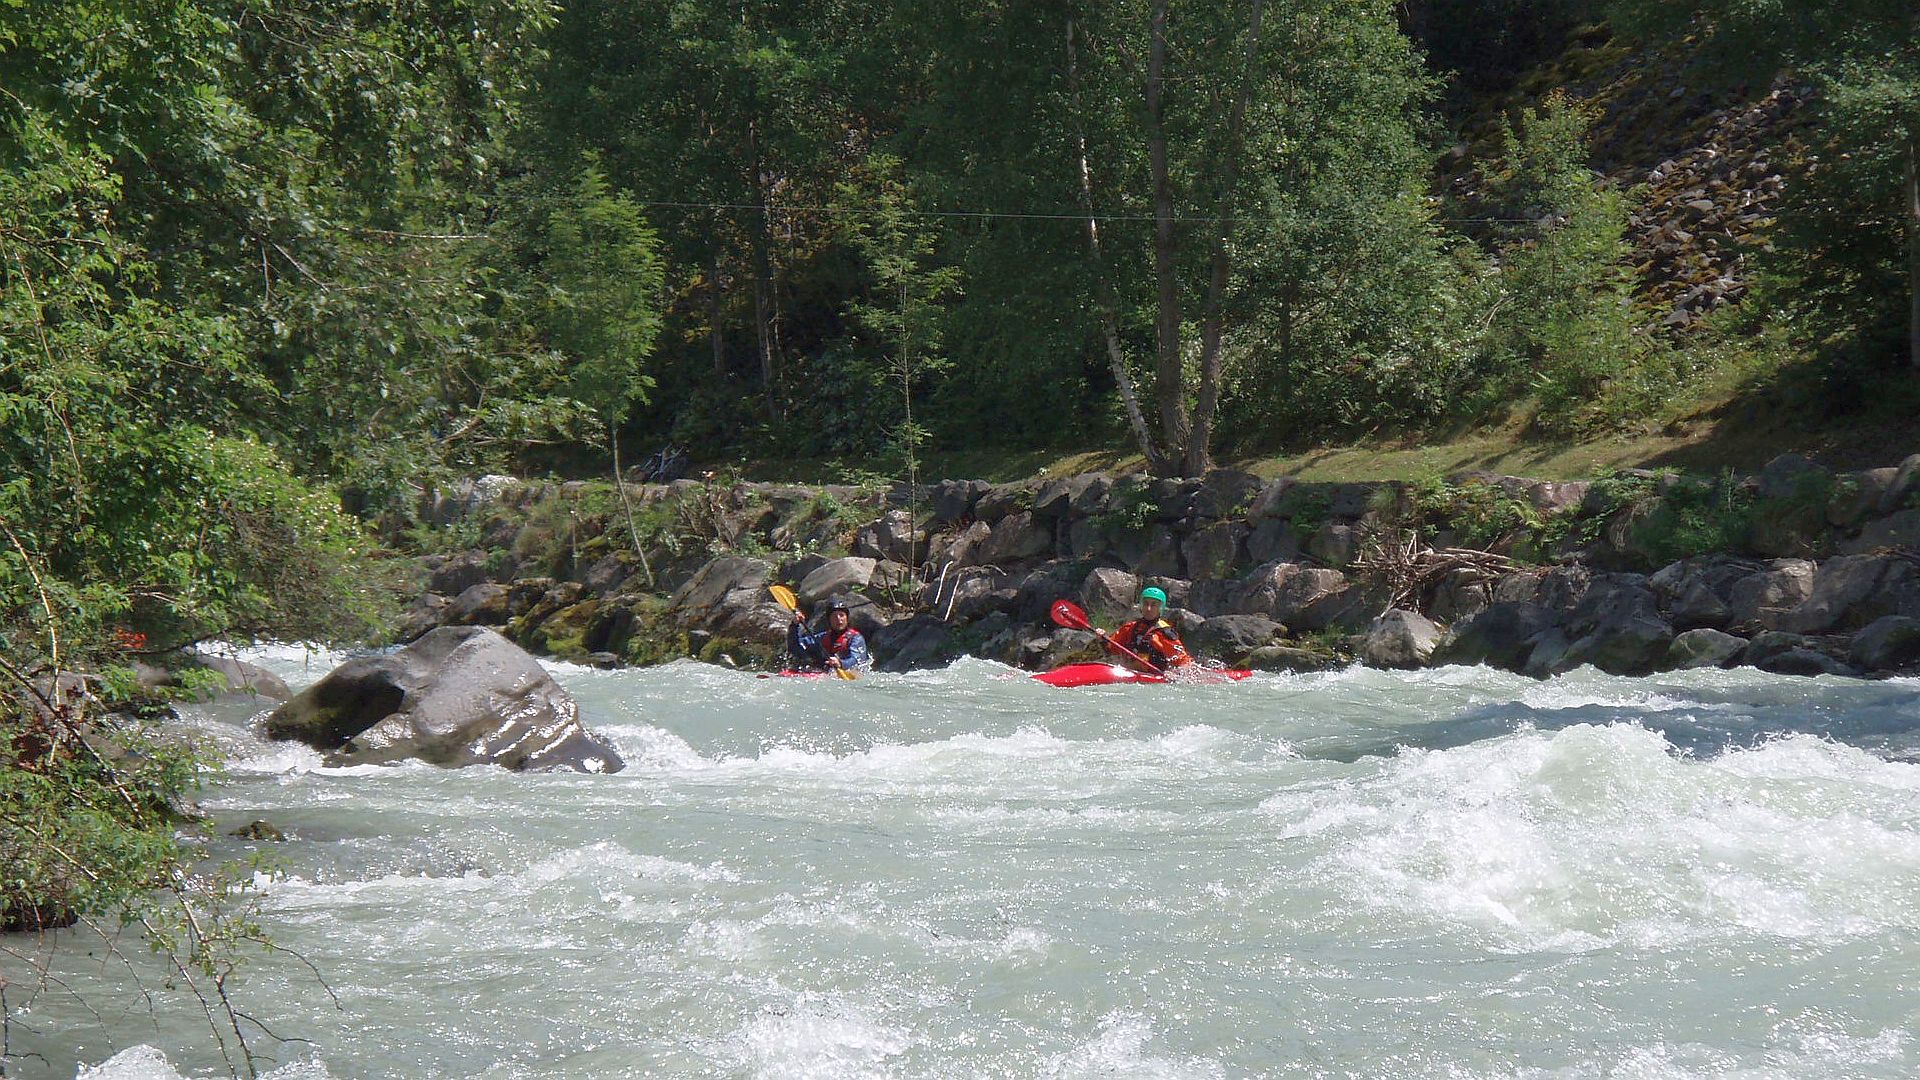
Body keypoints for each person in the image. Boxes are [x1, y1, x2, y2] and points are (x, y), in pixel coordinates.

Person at [1105, 587, 1192, 672]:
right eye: (1146, 604)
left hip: (1152, 679)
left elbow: (1184, 662)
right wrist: (1102, 638)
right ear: (1141, 606)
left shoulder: (1165, 633)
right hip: (1129, 673)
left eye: (1153, 605)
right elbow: (1111, 648)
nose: (1148, 609)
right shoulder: (1130, 628)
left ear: (1160, 608)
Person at [787, 600, 873, 673]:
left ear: (847, 618)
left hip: (848, 674)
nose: (839, 619)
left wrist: (841, 663)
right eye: (834, 616)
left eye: (841, 615)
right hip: (824, 674)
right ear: (829, 620)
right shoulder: (822, 637)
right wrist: (794, 626)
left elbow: (857, 660)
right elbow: (795, 647)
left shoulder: (855, 638)